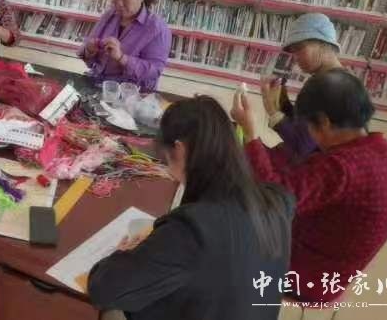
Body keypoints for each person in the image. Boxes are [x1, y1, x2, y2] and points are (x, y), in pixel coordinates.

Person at [88, 96, 294, 320]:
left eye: (165, 158)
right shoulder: (277, 201)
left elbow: (103, 289)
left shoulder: (193, 230)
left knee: (112, 309)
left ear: (179, 150)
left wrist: (123, 253)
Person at [232, 69, 387, 303]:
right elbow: (304, 172)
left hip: (307, 278)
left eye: (309, 127)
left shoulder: (343, 168)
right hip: (326, 264)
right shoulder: (375, 151)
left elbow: (273, 198)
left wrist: (251, 135)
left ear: (324, 122)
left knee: (218, 233)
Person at [262, 12, 342, 163]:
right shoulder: (340, 79)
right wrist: (282, 101)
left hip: (319, 169)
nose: (295, 57)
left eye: (299, 48)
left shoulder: (326, 86)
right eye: (293, 51)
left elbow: (301, 146)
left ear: (322, 43)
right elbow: (304, 125)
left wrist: (273, 112)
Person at [80, 0, 171, 93]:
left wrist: (122, 58)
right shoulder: (109, 15)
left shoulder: (157, 28)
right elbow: (87, 55)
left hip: (132, 93)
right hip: (100, 83)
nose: (119, 4)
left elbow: (154, 72)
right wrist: (89, 50)